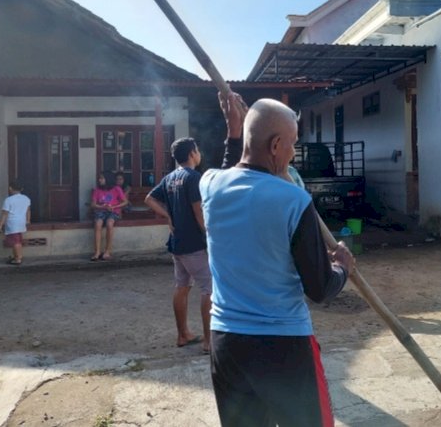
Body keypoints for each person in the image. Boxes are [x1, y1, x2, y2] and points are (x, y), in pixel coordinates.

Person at [200, 91, 355, 426]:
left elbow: (230, 169)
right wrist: (342, 267)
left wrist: (233, 132)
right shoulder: (294, 201)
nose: (294, 152)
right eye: (293, 143)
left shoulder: (210, 185)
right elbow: (320, 287)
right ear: (275, 146)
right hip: (284, 347)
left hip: (227, 343)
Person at [145, 138, 211, 354]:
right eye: (198, 149)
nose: (199, 153)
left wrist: (168, 216)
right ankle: (209, 342)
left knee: (182, 286)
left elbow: (149, 199)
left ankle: (183, 334)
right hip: (194, 243)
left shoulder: (170, 178)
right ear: (192, 153)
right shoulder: (193, 177)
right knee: (209, 289)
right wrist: (209, 235)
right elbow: (198, 210)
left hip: (177, 243)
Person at [90, 171, 128, 261]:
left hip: (113, 211)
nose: (100, 180)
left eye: (102, 178)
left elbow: (125, 202)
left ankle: (107, 252)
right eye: (99, 178)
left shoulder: (116, 189)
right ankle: (97, 252)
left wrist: (114, 207)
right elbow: (93, 204)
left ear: (108, 179)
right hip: (101, 211)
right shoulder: (97, 190)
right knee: (98, 224)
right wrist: (102, 206)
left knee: (109, 224)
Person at [0, 180, 31, 265]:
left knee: (16, 242)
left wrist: (0, 224)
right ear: (22, 189)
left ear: (10, 188)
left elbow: (5, 213)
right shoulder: (26, 198)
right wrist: (28, 220)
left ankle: (18, 258)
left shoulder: (8, 200)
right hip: (21, 222)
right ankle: (16, 256)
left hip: (12, 223)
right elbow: (28, 211)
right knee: (18, 240)